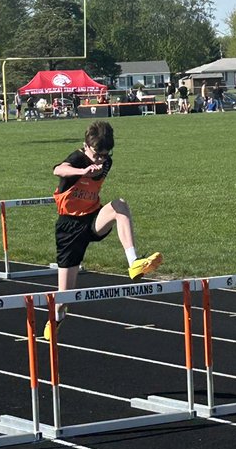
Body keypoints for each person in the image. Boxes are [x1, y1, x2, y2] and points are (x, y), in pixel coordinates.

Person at [44, 120, 163, 340]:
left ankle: (133, 262)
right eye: (97, 155)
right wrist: (83, 170)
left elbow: (101, 164)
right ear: (85, 145)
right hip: (69, 228)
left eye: (104, 155)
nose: (100, 160)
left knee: (120, 206)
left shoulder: (107, 162)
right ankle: (57, 317)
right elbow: (57, 170)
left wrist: (99, 163)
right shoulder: (78, 158)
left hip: (92, 218)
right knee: (64, 297)